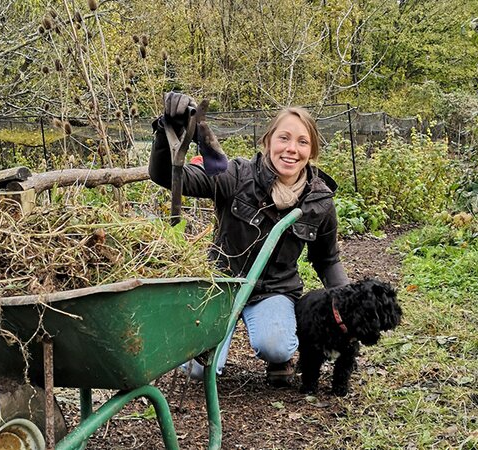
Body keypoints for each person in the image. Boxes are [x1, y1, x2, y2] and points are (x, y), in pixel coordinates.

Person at [148, 92, 349, 386]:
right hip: (221, 286)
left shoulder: (318, 201)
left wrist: (347, 305)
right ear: (267, 142)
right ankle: (211, 348)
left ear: (312, 151)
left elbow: (327, 259)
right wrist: (167, 129)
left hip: (274, 291)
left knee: (276, 343)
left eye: (302, 142)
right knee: (198, 370)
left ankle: (280, 357)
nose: (291, 149)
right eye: (284, 138)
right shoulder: (235, 175)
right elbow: (166, 175)